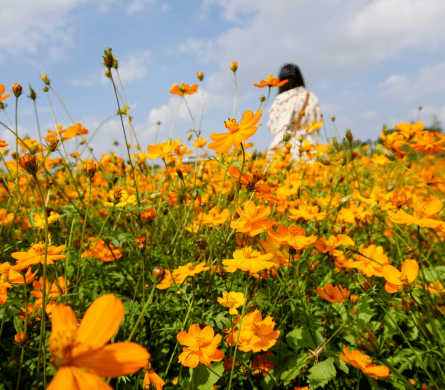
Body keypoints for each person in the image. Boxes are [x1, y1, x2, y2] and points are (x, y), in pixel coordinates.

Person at [267, 63, 322, 160]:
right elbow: (318, 123)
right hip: (309, 148)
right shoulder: (311, 97)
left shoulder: (281, 100)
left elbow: (274, 127)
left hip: (285, 150)